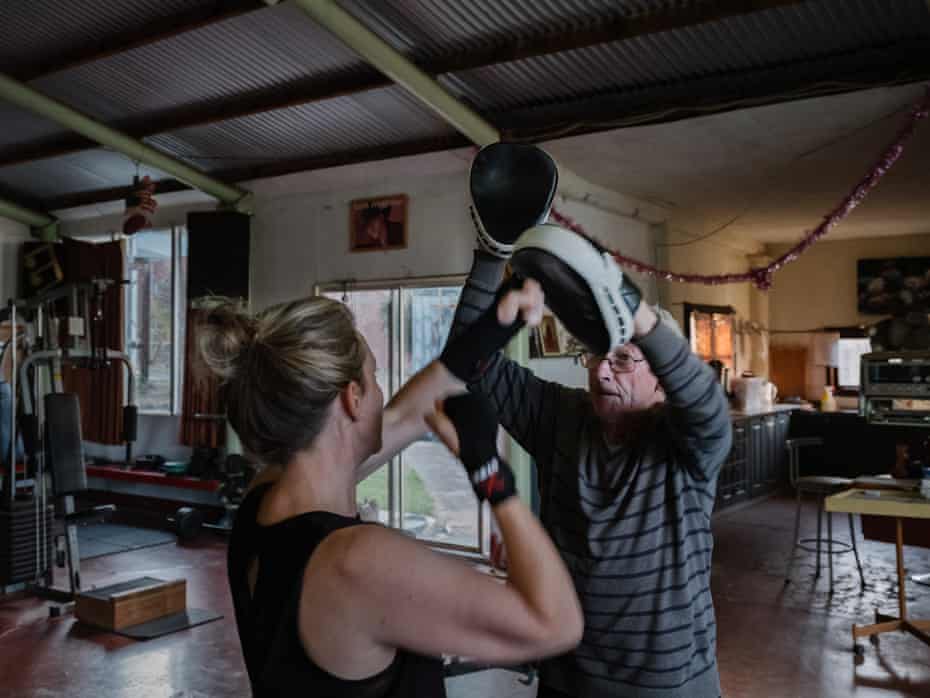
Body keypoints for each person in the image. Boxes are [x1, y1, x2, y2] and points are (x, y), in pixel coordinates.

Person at [199, 293, 582, 697]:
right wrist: (492, 477)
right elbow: (555, 623)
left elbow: (406, 414)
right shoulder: (357, 562)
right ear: (353, 397)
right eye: (376, 377)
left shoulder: (261, 503)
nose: (384, 395)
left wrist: (499, 323)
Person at [446, 241, 733, 698]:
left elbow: (703, 401)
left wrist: (634, 313)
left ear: (662, 376)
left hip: (669, 687)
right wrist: (490, 255)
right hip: (567, 679)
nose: (601, 373)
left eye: (621, 360)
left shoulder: (689, 446)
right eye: (597, 355)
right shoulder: (560, 417)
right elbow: (468, 362)